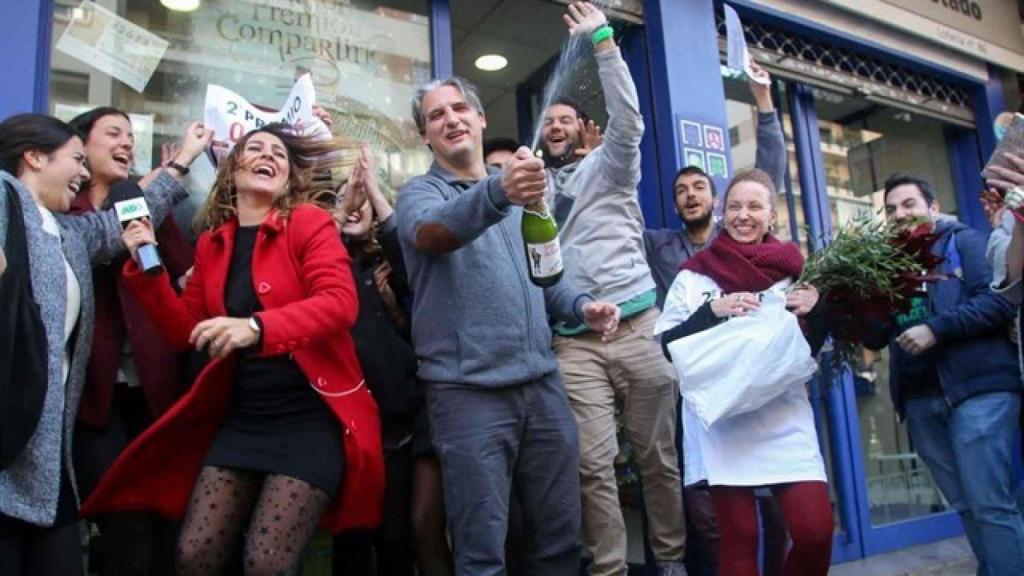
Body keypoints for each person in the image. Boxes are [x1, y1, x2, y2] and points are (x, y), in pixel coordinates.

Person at [80, 123, 386, 575]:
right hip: (243, 420)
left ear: (288, 177)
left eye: (279, 153)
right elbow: (184, 330)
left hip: (310, 419)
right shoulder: (212, 243)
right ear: (232, 170)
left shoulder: (308, 222)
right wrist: (147, 267)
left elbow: (340, 304)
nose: (269, 155)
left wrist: (256, 327)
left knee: (266, 562)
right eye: (255, 148)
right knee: (194, 553)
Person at [396, 70, 620, 575]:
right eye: (436, 115)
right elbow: (432, 233)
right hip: (466, 394)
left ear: (479, 118)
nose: (450, 119)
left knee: (560, 542)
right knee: (481, 554)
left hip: (542, 387)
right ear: (425, 135)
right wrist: (499, 192)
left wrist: (582, 306)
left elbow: (548, 277)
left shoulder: (522, 201)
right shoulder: (419, 194)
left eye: (458, 109)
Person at [0, 113, 191, 575]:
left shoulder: (67, 233)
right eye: (76, 160)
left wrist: (182, 162)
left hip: (47, 462)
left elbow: (122, 221)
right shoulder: (4, 196)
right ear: (34, 156)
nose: (83, 174)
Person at [538, 4, 685, 575]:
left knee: (657, 460)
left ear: (583, 130)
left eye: (565, 119)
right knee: (592, 467)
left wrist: (603, 42)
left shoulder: (613, 166)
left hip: (639, 330)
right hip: (575, 343)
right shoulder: (534, 188)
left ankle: (670, 560)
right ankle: (610, 570)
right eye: (547, 120)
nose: (554, 126)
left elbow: (629, 119)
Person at [643, 63, 790, 576]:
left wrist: (764, 105)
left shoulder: (748, 246)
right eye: (680, 189)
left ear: (719, 202)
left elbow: (769, 175)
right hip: (695, 391)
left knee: (771, 503)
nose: (689, 195)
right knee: (707, 507)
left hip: (754, 384)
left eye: (699, 187)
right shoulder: (662, 248)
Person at [655, 168, 832, 576]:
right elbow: (667, 345)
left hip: (784, 414)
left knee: (815, 531)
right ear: (722, 212)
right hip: (722, 421)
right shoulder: (694, 275)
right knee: (740, 539)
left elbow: (811, 348)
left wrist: (818, 309)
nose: (743, 215)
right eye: (734, 206)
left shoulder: (797, 272)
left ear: (772, 216)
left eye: (755, 206)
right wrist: (712, 311)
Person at [66, 107, 206, 576]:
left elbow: (186, 274)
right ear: (80, 146)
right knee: (124, 528)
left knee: (167, 529)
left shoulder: (145, 203)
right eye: (112, 133)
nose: (126, 142)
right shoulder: (66, 210)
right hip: (93, 402)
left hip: (156, 393)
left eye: (131, 134)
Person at [864, 173, 1024, 576]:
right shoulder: (892, 265)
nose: (900, 214)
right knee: (966, 505)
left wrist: (938, 328)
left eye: (909, 204)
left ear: (933, 208)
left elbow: (999, 301)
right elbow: (876, 335)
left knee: (990, 503)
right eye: (891, 209)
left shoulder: (964, 241)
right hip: (920, 401)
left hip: (977, 391)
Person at [330, 146, 425, 576]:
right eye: (345, 200)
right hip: (342, 430)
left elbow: (420, 325)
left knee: (396, 538)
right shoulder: (323, 263)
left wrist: (394, 308)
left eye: (362, 200)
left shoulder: (389, 262)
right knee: (350, 541)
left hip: (396, 429)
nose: (354, 208)